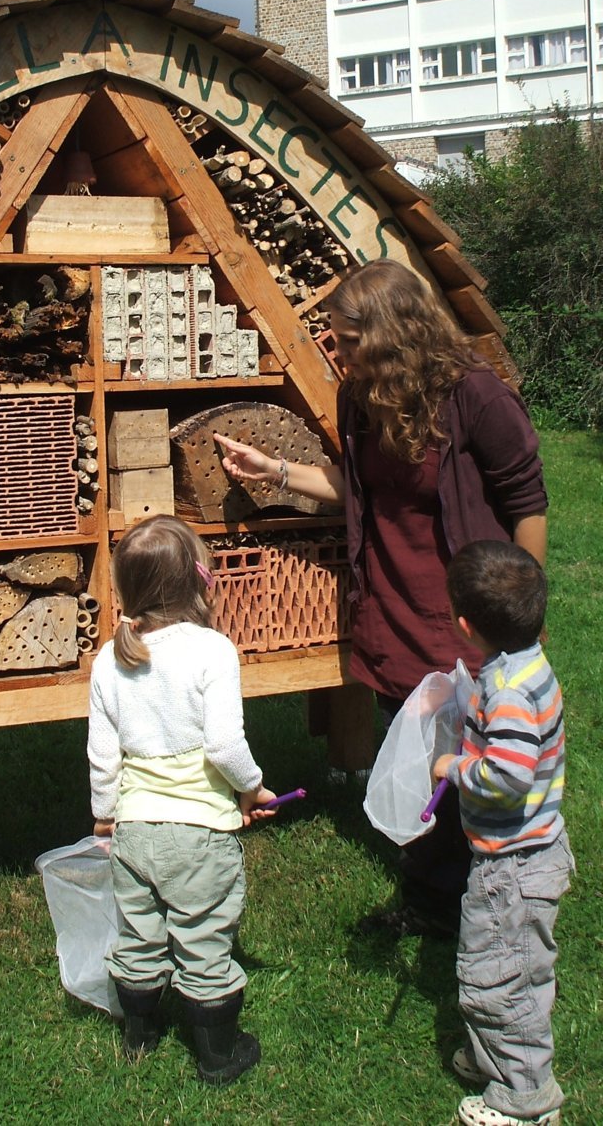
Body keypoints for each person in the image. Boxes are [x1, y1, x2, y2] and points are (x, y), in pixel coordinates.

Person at [214, 259, 547, 937]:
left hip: (466, 615)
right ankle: (433, 895)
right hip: (393, 604)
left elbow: (527, 503)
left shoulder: (477, 396)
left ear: (392, 332)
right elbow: (356, 486)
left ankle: (499, 892)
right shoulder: (359, 396)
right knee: (417, 756)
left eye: (346, 338)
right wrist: (276, 470)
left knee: (479, 757)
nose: (334, 350)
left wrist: (518, 615)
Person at [87, 513, 278, 1085]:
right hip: (199, 836)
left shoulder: (108, 657)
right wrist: (252, 787)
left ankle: (139, 1035)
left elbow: (103, 755)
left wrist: (105, 815)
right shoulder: (212, 650)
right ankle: (218, 1054)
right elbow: (224, 745)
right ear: (201, 580)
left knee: (139, 933)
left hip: (134, 832)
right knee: (203, 936)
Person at [433, 540, 573, 1126]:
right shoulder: (527, 665)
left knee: (498, 977)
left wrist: (454, 768)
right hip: (534, 852)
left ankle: (525, 1099)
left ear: (465, 625)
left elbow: (508, 777)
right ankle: (498, 1053)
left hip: (511, 869)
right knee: (517, 965)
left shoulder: (509, 692)